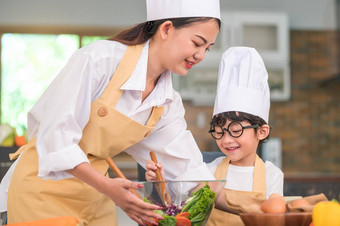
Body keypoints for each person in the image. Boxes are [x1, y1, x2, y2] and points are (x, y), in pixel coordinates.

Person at [0, 0, 221, 225]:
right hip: (43, 188)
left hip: (94, 194)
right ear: (166, 29)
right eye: (197, 43)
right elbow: (56, 138)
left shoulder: (167, 102)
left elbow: (186, 168)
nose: (201, 55)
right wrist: (109, 188)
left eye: (207, 48)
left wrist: (237, 201)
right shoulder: (100, 60)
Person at [146, 47, 284, 225]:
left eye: (236, 131)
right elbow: (181, 209)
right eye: (219, 132)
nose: (226, 140)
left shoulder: (272, 175)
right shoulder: (209, 171)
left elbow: (276, 215)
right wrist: (162, 182)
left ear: (262, 131)